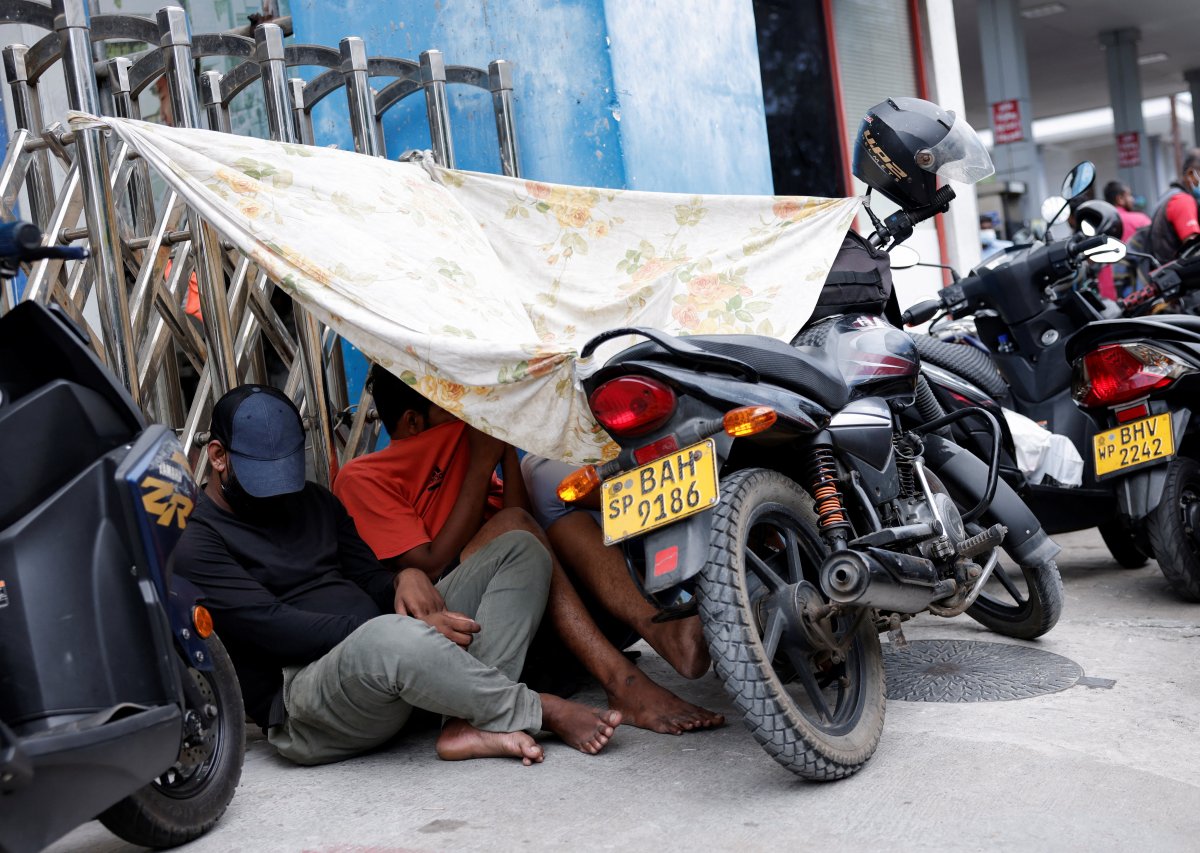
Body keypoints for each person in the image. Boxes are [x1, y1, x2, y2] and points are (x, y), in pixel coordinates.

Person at [175, 384, 621, 767]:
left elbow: (367, 577)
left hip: (392, 654)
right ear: (218, 457)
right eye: (261, 480)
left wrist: (400, 581)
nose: (277, 495)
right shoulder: (197, 542)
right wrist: (395, 625)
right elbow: (275, 628)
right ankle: (531, 708)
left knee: (520, 549)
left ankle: (465, 722)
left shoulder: (313, 501)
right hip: (307, 699)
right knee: (390, 638)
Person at [333, 366, 724, 736]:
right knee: (515, 530)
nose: (470, 421)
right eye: (456, 410)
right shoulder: (364, 476)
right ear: (414, 422)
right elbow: (430, 563)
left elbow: (521, 512)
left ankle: (666, 626)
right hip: (466, 627)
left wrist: (502, 451)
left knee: (552, 496)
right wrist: (480, 461)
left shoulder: (466, 459)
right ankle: (621, 681)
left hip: (546, 614)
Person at [1099, 180, 1152, 299]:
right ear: (1120, 199)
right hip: (1136, 294)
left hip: (1106, 293)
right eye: (1129, 195)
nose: (1132, 199)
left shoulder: (1098, 224)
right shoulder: (1140, 220)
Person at [1149, 149, 1200, 264]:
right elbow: (1194, 248)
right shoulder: (1182, 201)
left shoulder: (1169, 195)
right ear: (1191, 175)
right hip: (1177, 277)